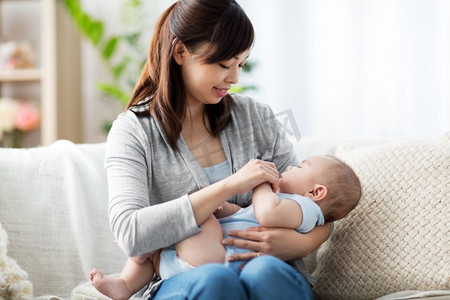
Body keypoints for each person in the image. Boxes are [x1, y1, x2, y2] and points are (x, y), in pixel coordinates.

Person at [101, 0, 334, 299]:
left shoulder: (256, 118)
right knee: (215, 279)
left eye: (241, 64)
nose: (235, 78)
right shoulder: (133, 131)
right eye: (224, 64)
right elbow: (130, 232)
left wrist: (302, 245)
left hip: (272, 272)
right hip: (186, 279)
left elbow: (320, 205)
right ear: (181, 52)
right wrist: (229, 186)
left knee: (264, 272)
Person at [90, 155, 362, 300]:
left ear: (315, 192)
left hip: (214, 257)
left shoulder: (305, 208)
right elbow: (247, 215)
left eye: (300, 166)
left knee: (198, 218)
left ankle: (143, 260)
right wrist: (227, 204)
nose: (289, 166)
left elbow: (266, 213)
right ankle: (126, 283)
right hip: (199, 267)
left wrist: (260, 184)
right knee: (191, 217)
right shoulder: (137, 133)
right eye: (223, 64)